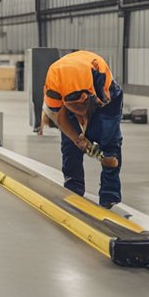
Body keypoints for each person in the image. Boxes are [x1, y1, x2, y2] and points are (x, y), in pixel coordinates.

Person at [36, 50, 123, 208]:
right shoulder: (55, 82)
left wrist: (92, 138)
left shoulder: (100, 82)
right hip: (71, 87)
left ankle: (109, 195)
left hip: (105, 98)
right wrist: (78, 139)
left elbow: (97, 112)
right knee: (69, 143)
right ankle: (73, 188)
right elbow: (59, 117)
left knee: (109, 141)